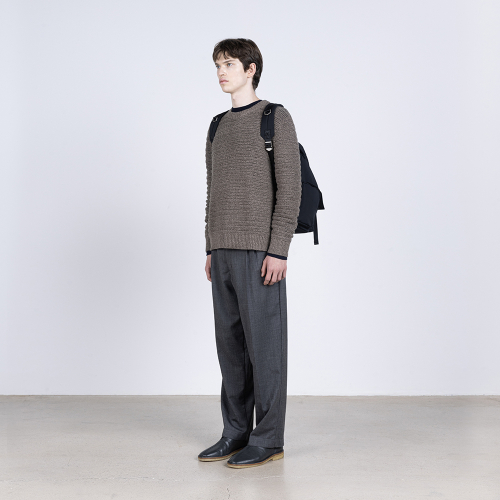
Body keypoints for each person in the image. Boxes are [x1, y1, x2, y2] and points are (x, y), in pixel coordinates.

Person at [197, 38, 302, 468]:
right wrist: (210, 245)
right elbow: (213, 189)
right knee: (231, 348)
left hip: (260, 252)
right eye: (217, 65)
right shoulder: (217, 125)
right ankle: (235, 431)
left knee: (266, 349)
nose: (221, 72)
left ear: (250, 69)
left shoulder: (275, 117)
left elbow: (290, 189)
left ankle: (269, 438)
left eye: (229, 64)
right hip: (222, 251)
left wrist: (279, 250)